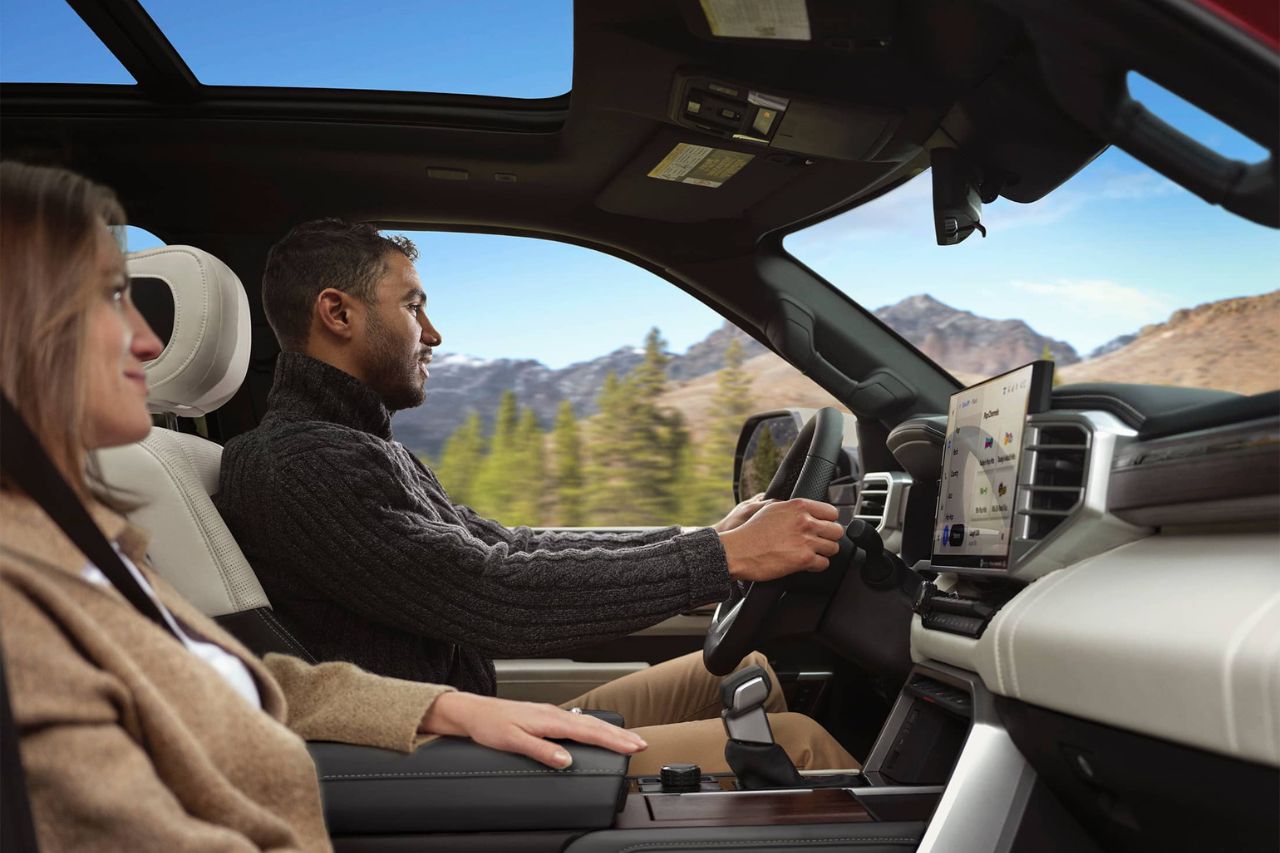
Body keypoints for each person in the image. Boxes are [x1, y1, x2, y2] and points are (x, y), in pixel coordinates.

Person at [0, 162, 648, 852]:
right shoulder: (21, 602)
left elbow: (236, 678)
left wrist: (445, 706)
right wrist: (724, 557)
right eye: (108, 296)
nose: (150, 340)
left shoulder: (82, 538)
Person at [215, 218, 858, 774]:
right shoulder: (304, 463)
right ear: (338, 314)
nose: (432, 334)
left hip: (469, 730)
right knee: (802, 744)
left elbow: (507, 546)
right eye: (412, 306)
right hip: (433, 761)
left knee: (750, 670)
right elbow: (494, 594)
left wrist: (712, 541)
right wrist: (723, 560)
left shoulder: (353, 448)